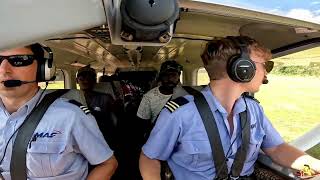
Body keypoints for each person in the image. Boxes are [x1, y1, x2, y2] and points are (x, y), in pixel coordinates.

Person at [139, 36, 320, 180]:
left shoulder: (254, 111)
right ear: (242, 68)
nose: (266, 72)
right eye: (265, 65)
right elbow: (150, 158)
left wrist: (316, 167)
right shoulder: (179, 113)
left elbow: (278, 149)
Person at [0, 44, 118, 179]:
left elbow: (108, 164)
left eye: (18, 60)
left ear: (42, 69)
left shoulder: (71, 115)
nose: (3, 70)